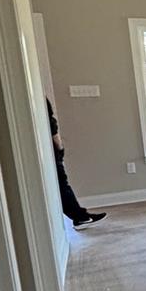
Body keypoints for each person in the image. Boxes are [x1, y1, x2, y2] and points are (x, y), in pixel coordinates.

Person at [46, 97, 106, 229]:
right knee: (61, 184)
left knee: (61, 184)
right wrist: (59, 146)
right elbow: (51, 124)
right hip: (49, 149)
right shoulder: (41, 99)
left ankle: (80, 216)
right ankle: (80, 217)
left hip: (46, 149)